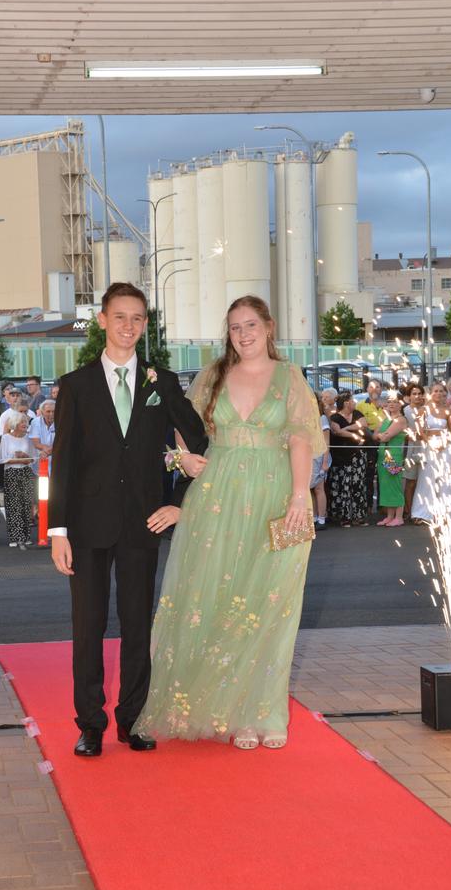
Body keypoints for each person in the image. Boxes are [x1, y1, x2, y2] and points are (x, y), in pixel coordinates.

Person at [134, 296, 323, 751]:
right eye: (236, 327)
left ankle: (265, 711)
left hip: (278, 497)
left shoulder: (290, 377)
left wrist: (301, 496)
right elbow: (182, 428)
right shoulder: (213, 375)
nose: (244, 334)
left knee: (271, 606)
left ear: (269, 327)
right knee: (216, 601)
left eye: (252, 324)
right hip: (215, 499)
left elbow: (300, 437)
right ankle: (231, 712)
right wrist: (182, 458)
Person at [48, 282, 208, 758]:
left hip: (144, 525)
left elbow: (197, 443)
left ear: (145, 323)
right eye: (120, 317)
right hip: (86, 526)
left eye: (138, 318)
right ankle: (91, 725)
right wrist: (58, 531)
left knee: (138, 626)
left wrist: (179, 499)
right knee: (88, 628)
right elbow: (64, 461)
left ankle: (133, 720)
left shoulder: (163, 382)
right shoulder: (75, 386)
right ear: (102, 320)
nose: (129, 326)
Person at [411, 382, 451, 525]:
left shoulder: (448, 410)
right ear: (431, 393)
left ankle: (444, 513)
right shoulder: (423, 409)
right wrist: (430, 443)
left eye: (442, 391)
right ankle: (422, 513)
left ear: (445, 393)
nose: (439, 393)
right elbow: (419, 430)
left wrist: (444, 443)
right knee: (426, 478)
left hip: (445, 446)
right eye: (436, 391)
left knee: (444, 479)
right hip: (428, 445)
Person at [327, 391, 369, 527]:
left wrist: (348, 428)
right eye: (352, 400)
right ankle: (344, 516)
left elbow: (362, 424)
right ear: (346, 403)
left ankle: (358, 515)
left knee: (358, 485)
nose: (355, 403)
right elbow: (337, 431)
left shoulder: (357, 414)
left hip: (358, 456)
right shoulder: (335, 417)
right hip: (342, 457)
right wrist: (355, 437)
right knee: (343, 486)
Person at [0, 411, 35, 549]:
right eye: (22, 422)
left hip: (26, 472)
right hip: (11, 473)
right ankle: (15, 536)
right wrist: (19, 458)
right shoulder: (6, 438)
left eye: (25, 422)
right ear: (15, 424)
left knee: (26, 504)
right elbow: (3, 459)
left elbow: (32, 458)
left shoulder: (28, 438)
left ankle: (26, 536)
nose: (25, 424)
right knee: (14, 505)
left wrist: (23, 456)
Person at [374, 392, 408, 526]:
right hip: (382, 454)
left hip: (393, 455)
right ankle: (390, 516)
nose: (391, 404)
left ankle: (399, 517)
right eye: (389, 402)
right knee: (385, 485)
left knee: (395, 484)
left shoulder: (401, 420)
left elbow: (384, 437)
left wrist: (381, 435)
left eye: (394, 402)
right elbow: (375, 435)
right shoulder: (385, 419)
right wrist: (381, 435)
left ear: (400, 404)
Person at [356, 379, 384, 512]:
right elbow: (360, 426)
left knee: (385, 473)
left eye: (377, 387)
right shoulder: (360, 406)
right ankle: (367, 506)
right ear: (367, 389)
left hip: (385, 444)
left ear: (381, 389)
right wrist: (371, 436)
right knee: (368, 474)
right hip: (369, 443)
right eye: (371, 387)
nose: (374, 390)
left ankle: (383, 505)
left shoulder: (386, 405)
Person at [402, 382, 426, 521]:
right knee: (410, 482)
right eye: (414, 394)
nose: (417, 396)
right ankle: (409, 511)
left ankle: (420, 511)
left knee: (422, 482)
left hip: (424, 448)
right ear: (409, 396)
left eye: (419, 393)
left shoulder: (426, 410)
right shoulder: (405, 411)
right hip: (410, 448)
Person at [310, 393, 331, 528]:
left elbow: (326, 442)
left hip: (319, 457)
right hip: (309, 457)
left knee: (319, 488)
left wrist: (324, 463)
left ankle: (322, 518)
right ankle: (314, 517)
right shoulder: (306, 418)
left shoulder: (322, 418)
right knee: (310, 489)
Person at [29, 399, 55, 475]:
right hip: (41, 459)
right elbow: (36, 443)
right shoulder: (36, 422)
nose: (51, 414)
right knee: (43, 484)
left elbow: (63, 442)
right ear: (42, 412)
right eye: (48, 411)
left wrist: (49, 451)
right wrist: (47, 450)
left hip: (57, 461)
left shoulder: (62, 421)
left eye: (53, 411)